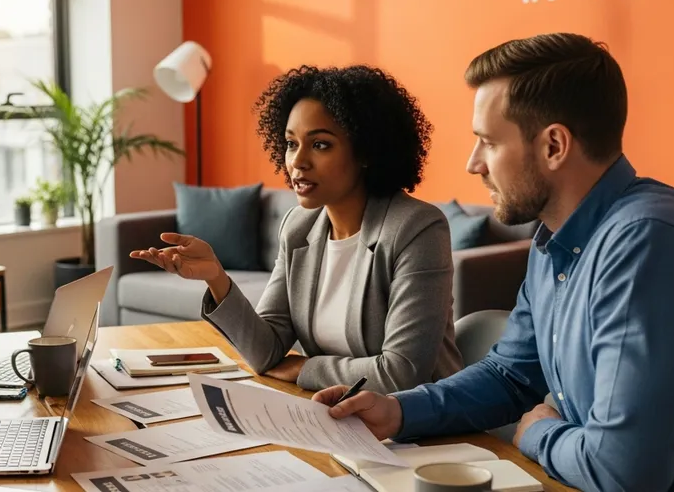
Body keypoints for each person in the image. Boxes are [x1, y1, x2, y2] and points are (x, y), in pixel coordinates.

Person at [312, 33, 674, 491]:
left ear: (554, 146)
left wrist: (537, 432)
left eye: (489, 142)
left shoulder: (649, 243)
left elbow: (622, 474)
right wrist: (397, 411)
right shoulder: (556, 240)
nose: (473, 163)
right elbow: (510, 375)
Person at [132, 65, 464, 394]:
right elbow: (266, 353)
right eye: (291, 143)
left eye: (320, 144)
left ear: (365, 151)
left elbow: (402, 374)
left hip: (420, 419)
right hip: (333, 411)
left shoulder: (416, 229)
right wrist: (216, 278)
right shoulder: (298, 227)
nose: (298, 162)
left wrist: (305, 368)